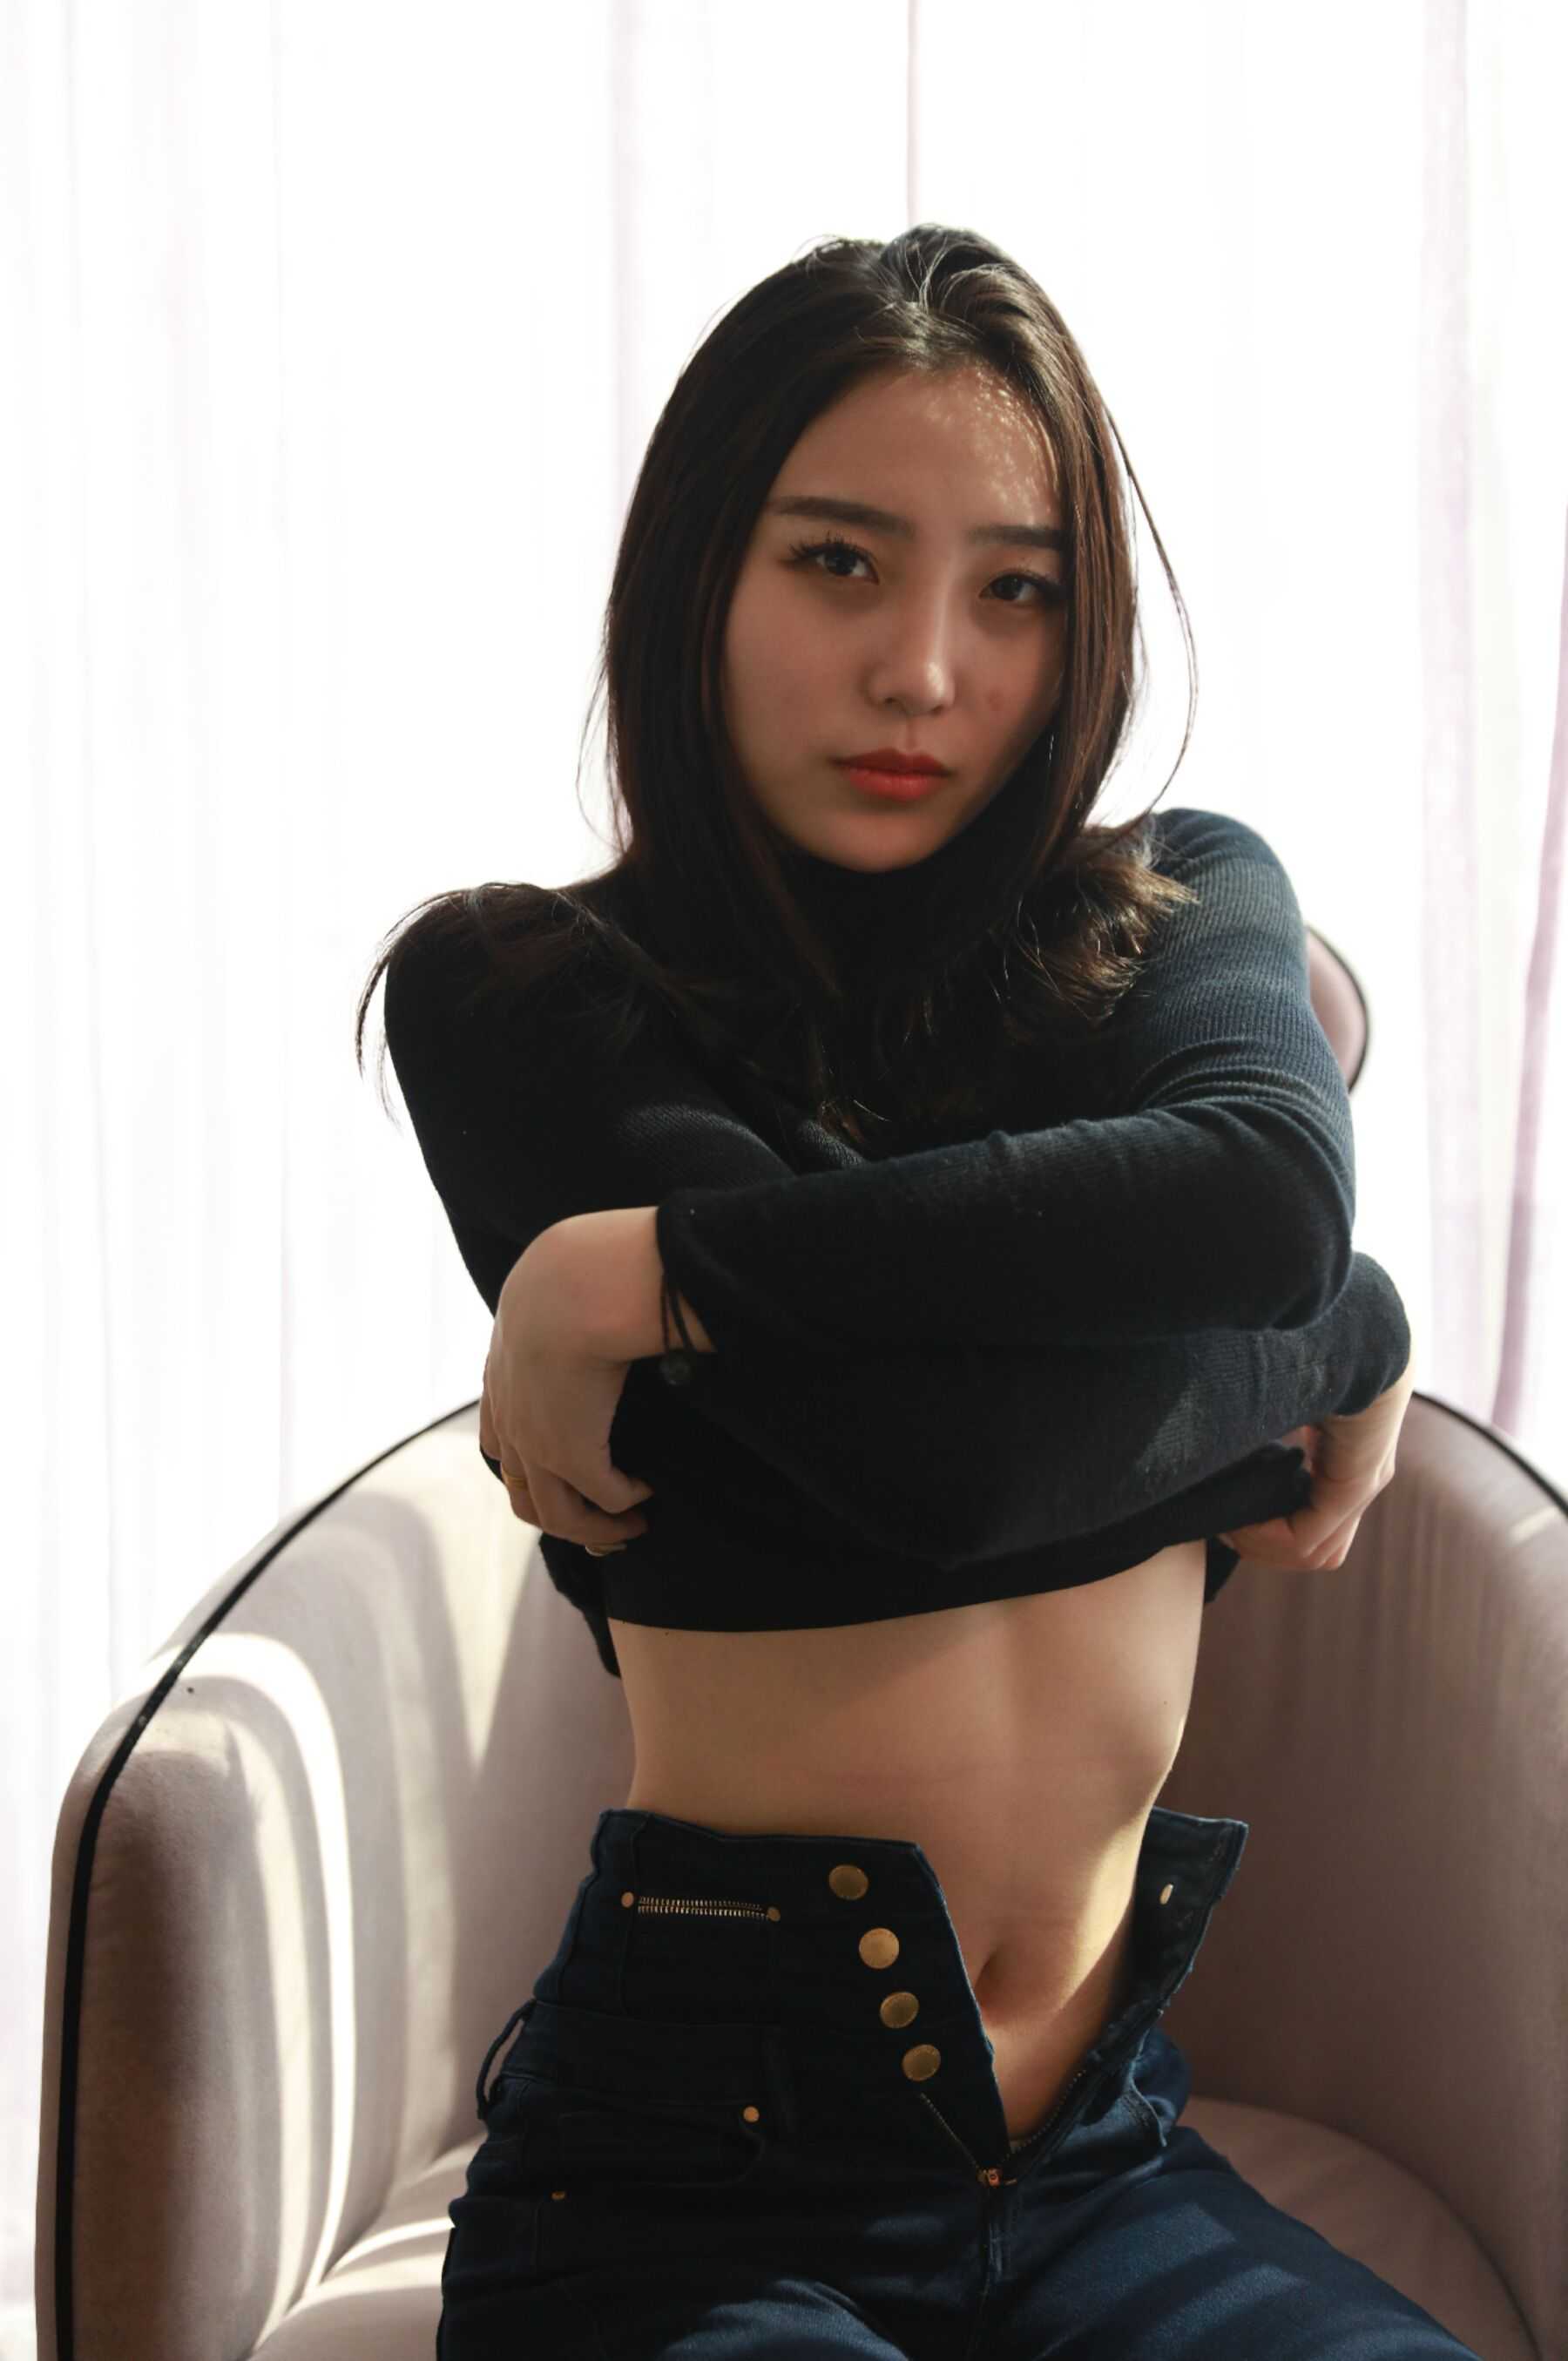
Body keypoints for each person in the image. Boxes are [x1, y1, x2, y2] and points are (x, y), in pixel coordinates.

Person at [362, 226, 1459, 2358]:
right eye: (839, 563)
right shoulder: (520, 995)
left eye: (1016, 589)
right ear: (699, 577)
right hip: (682, 2175)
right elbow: (935, 1472)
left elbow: (1262, 1199)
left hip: (1104, 2162)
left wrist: (649, 1272)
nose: (925, 671)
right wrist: (1322, 1340)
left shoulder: (1186, 901)